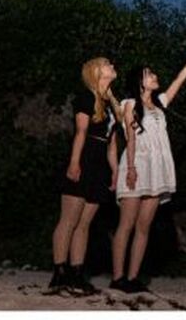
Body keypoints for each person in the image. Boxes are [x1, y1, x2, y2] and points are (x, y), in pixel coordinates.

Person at [110, 38, 186, 293]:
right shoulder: (129, 104)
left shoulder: (160, 104)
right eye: (149, 74)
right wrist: (131, 168)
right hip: (136, 165)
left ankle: (133, 278)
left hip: (156, 169)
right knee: (126, 225)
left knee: (144, 227)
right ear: (139, 81)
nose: (155, 76)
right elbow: (131, 137)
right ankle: (118, 277)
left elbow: (179, 80)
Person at [49, 56, 122, 294]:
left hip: (100, 164)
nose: (112, 66)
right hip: (84, 158)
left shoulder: (111, 104)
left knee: (84, 224)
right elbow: (81, 132)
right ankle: (59, 273)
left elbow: (112, 145)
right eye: (107, 64)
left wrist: (115, 171)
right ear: (96, 72)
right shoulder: (86, 97)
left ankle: (77, 273)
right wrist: (74, 163)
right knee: (69, 220)